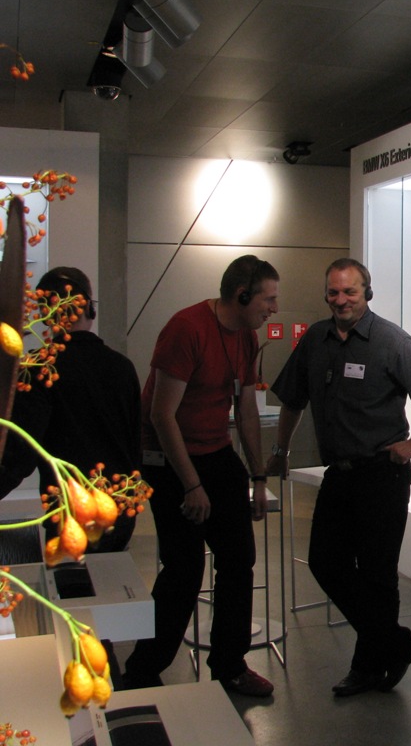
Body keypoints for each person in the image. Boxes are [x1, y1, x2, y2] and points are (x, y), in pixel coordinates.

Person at [267, 257, 411, 697]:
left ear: (367, 292)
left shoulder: (391, 341)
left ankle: (369, 667)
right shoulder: (315, 339)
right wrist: (280, 450)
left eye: (349, 291)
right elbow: (292, 400)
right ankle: (395, 644)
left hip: (382, 475)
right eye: (333, 292)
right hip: (340, 474)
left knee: (377, 574)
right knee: (325, 562)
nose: (341, 300)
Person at [122, 255, 279, 697]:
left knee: (238, 560)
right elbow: (162, 415)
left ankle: (230, 666)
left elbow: (246, 411)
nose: (274, 308)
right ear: (242, 296)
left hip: (216, 452)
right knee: (185, 568)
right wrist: (192, 485)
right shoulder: (186, 328)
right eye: (268, 299)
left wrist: (258, 477)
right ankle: (142, 671)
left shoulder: (247, 336)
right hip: (168, 457)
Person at [1, 267, 141, 551]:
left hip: (70, 512)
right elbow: (134, 442)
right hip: (120, 509)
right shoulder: (122, 367)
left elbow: (21, 453)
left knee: (71, 578)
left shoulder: (39, 369)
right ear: (89, 307)